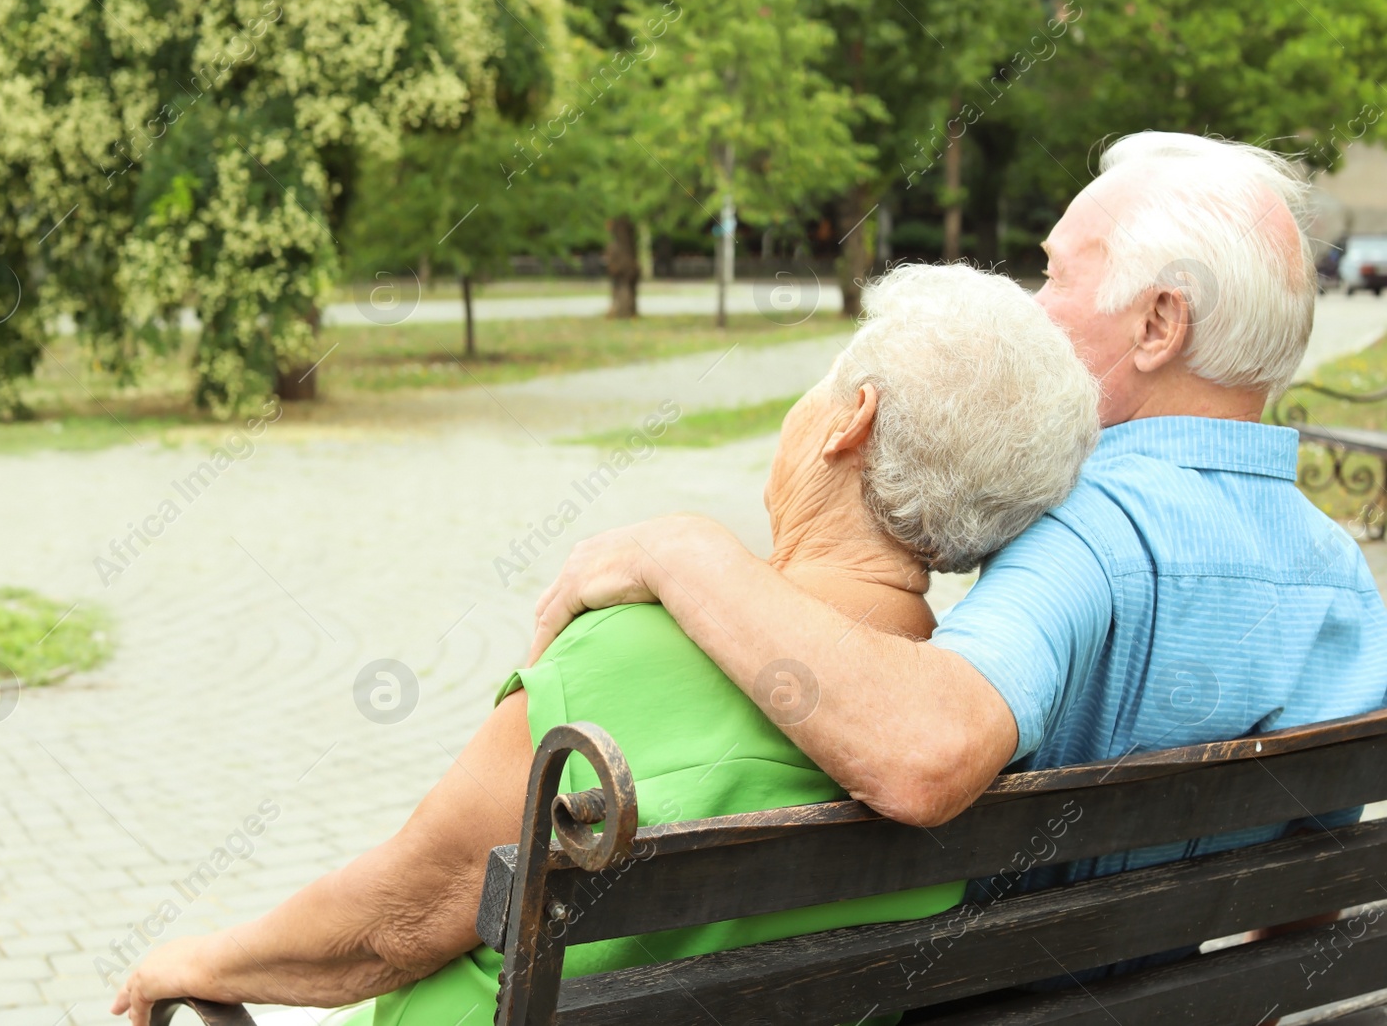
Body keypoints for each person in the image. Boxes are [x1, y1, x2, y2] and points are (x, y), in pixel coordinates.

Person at [109, 262, 1102, 1025]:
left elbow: (394, 921)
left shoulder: (630, 653)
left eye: (819, 385)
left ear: (851, 420)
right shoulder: (977, 718)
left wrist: (197, 959)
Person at [528, 134, 1387, 940]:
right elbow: (1302, 902)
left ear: (1159, 324)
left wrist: (679, 550)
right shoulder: (1343, 578)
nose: (1032, 303)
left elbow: (923, 753)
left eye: (1053, 275)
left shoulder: (1090, 531)